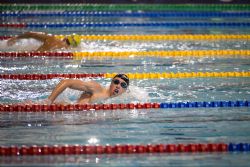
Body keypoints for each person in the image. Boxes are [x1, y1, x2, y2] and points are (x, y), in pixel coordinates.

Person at [44, 74, 129, 105]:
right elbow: (67, 82)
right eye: (116, 82)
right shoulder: (97, 89)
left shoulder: (123, 99)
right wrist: (49, 101)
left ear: (125, 90)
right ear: (111, 83)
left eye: (123, 85)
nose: (118, 86)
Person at [7, 31, 81, 51]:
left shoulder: (51, 39)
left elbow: (31, 34)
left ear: (65, 38)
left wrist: (16, 38)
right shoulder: (67, 51)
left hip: (32, 55)